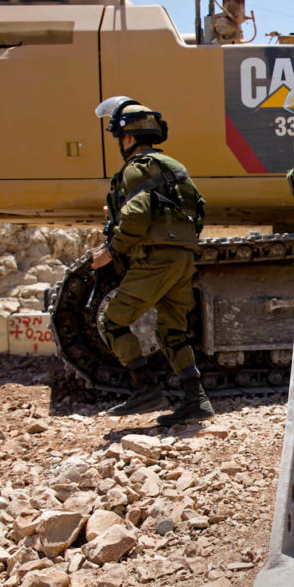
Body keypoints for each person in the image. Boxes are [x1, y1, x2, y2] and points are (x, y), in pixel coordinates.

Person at [91, 96, 214, 426]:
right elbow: (195, 213)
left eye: (120, 138)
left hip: (156, 259)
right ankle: (196, 400)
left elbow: (137, 216)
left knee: (112, 321)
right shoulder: (175, 167)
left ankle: (146, 389)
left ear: (128, 138)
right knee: (172, 331)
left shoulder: (136, 168)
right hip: (183, 258)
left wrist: (111, 251)